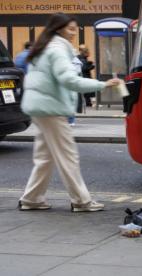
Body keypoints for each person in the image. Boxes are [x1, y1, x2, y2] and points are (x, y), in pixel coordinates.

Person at [19, 13, 121, 212]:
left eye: (76, 29)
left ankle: (31, 198)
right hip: (51, 108)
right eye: (71, 29)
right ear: (59, 29)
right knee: (68, 156)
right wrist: (102, 84)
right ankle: (81, 200)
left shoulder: (44, 47)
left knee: (45, 158)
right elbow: (69, 80)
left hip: (39, 108)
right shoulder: (57, 50)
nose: (74, 33)